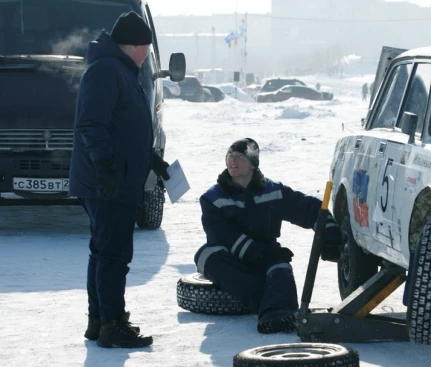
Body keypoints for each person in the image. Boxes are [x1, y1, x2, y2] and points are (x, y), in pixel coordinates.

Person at [70, 11, 170, 348]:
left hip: (117, 175)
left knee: (103, 252)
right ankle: (112, 324)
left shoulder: (118, 69)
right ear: (133, 45)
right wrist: (105, 167)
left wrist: (150, 157)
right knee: (113, 254)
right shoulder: (107, 71)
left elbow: (123, 125)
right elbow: (91, 124)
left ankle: (99, 320)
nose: (146, 53)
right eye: (144, 46)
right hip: (110, 181)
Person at [194, 138, 342, 334]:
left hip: (265, 253)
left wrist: (329, 234)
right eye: (229, 156)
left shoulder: (273, 191)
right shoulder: (213, 197)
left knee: (280, 266)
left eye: (239, 157)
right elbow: (221, 234)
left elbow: (311, 209)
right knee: (208, 255)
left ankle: (277, 314)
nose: (232, 161)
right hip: (229, 257)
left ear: (253, 164)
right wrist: (260, 252)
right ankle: (269, 301)